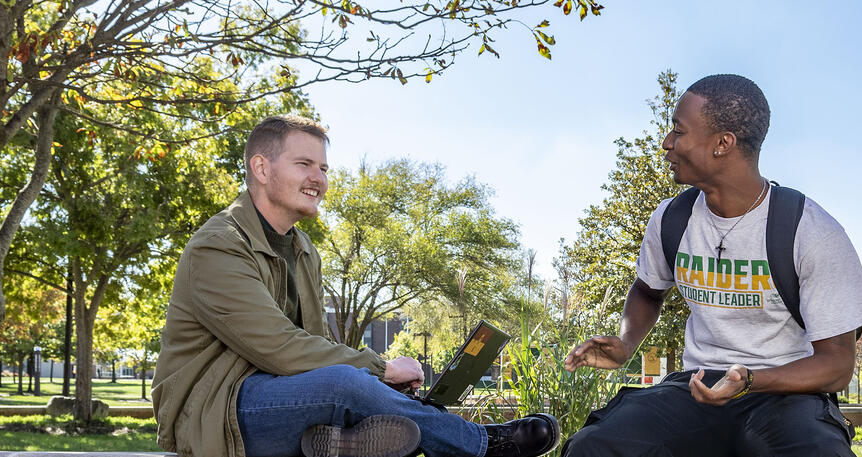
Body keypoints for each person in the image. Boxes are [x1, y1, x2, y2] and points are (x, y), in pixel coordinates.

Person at [153, 115, 559, 457]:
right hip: (218, 411)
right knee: (344, 384)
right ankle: (482, 446)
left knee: (356, 387)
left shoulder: (303, 249)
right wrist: (381, 369)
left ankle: (351, 441)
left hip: (282, 394)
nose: (318, 179)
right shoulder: (218, 245)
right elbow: (278, 346)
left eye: (324, 169)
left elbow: (314, 344)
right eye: (304, 164)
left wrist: (378, 382)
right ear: (261, 168)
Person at [560, 75, 862, 456]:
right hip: (695, 386)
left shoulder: (809, 230)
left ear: (723, 144)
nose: (667, 143)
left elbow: (837, 366)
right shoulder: (671, 219)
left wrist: (749, 380)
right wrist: (626, 343)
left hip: (786, 393)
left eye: (678, 131)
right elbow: (647, 290)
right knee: (592, 446)